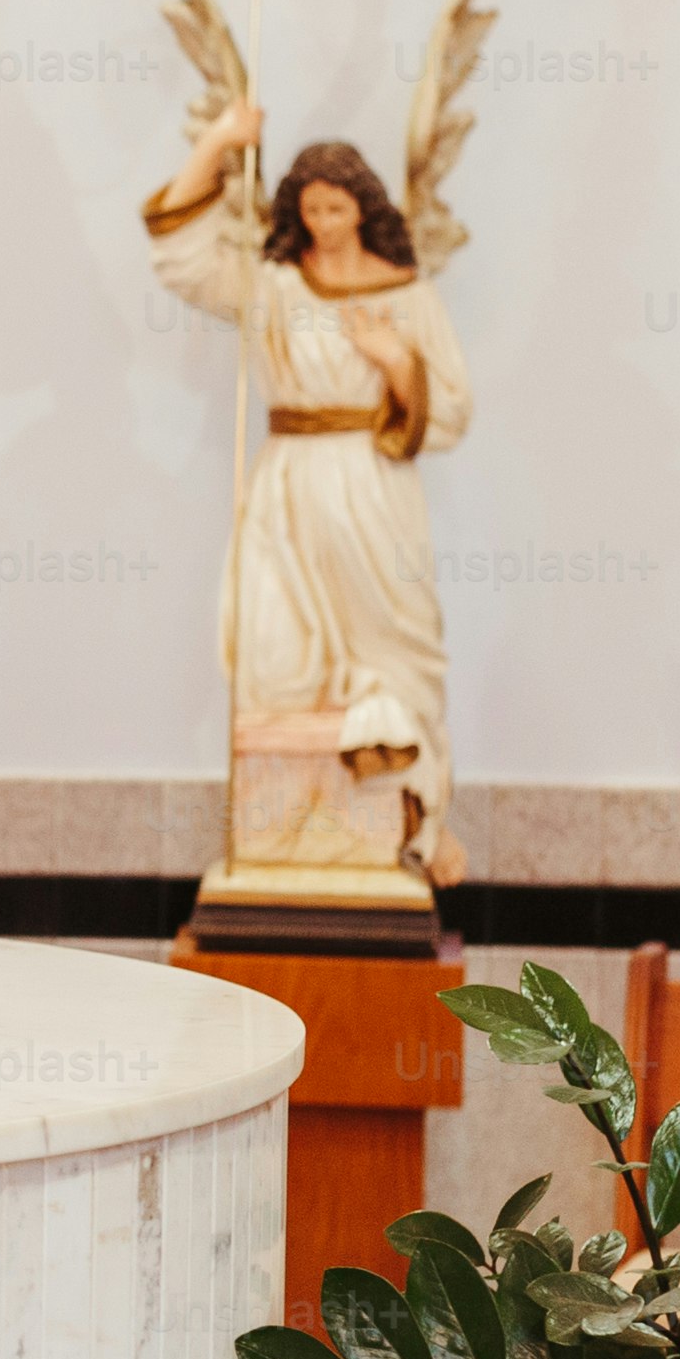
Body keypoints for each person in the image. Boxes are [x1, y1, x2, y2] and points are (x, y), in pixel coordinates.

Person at [144, 103, 475, 884]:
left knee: (397, 656)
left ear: (364, 206)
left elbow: (455, 409)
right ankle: (285, 839)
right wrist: (221, 141)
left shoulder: (409, 295)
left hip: (376, 492)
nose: (324, 221)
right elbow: (180, 258)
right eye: (310, 208)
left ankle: (405, 825)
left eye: (338, 205)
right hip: (287, 490)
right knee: (274, 657)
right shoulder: (274, 287)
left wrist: (398, 363)